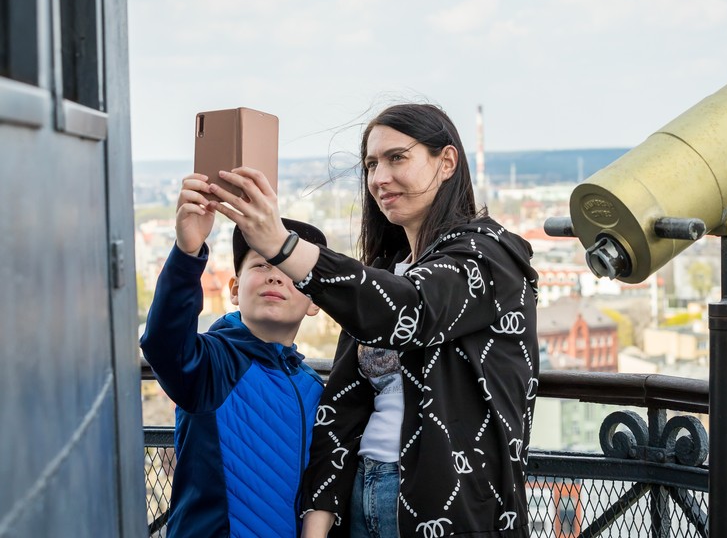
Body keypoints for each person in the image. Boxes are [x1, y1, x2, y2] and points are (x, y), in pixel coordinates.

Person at [206, 103, 541, 537]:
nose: (380, 177)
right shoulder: (386, 270)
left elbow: (410, 310)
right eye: (370, 164)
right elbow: (343, 407)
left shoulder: (488, 257)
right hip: (363, 497)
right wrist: (317, 524)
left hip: (453, 509)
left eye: (397, 158)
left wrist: (281, 246)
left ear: (446, 162)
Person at [140, 174, 327, 537]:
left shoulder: (314, 388)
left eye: (289, 270)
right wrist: (187, 252)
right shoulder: (211, 364)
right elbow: (163, 343)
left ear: (314, 302)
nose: (275, 277)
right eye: (261, 265)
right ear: (236, 290)